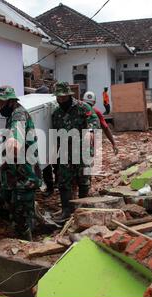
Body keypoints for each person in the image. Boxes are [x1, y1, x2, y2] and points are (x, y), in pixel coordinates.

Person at [0, 85, 42, 241]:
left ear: (11, 101)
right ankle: (29, 218)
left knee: (20, 220)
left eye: (0, 103)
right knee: (0, 205)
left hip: (24, 177)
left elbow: (17, 132)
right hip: (12, 173)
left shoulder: (18, 114)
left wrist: (14, 140)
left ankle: (28, 250)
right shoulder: (11, 114)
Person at [52, 82, 100, 221]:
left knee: (83, 181)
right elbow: (55, 134)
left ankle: (83, 210)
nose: (61, 100)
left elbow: (93, 120)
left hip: (82, 151)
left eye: (63, 97)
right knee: (63, 182)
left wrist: (90, 131)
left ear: (69, 95)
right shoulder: (56, 113)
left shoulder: (82, 107)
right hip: (65, 153)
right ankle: (67, 211)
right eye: (58, 98)